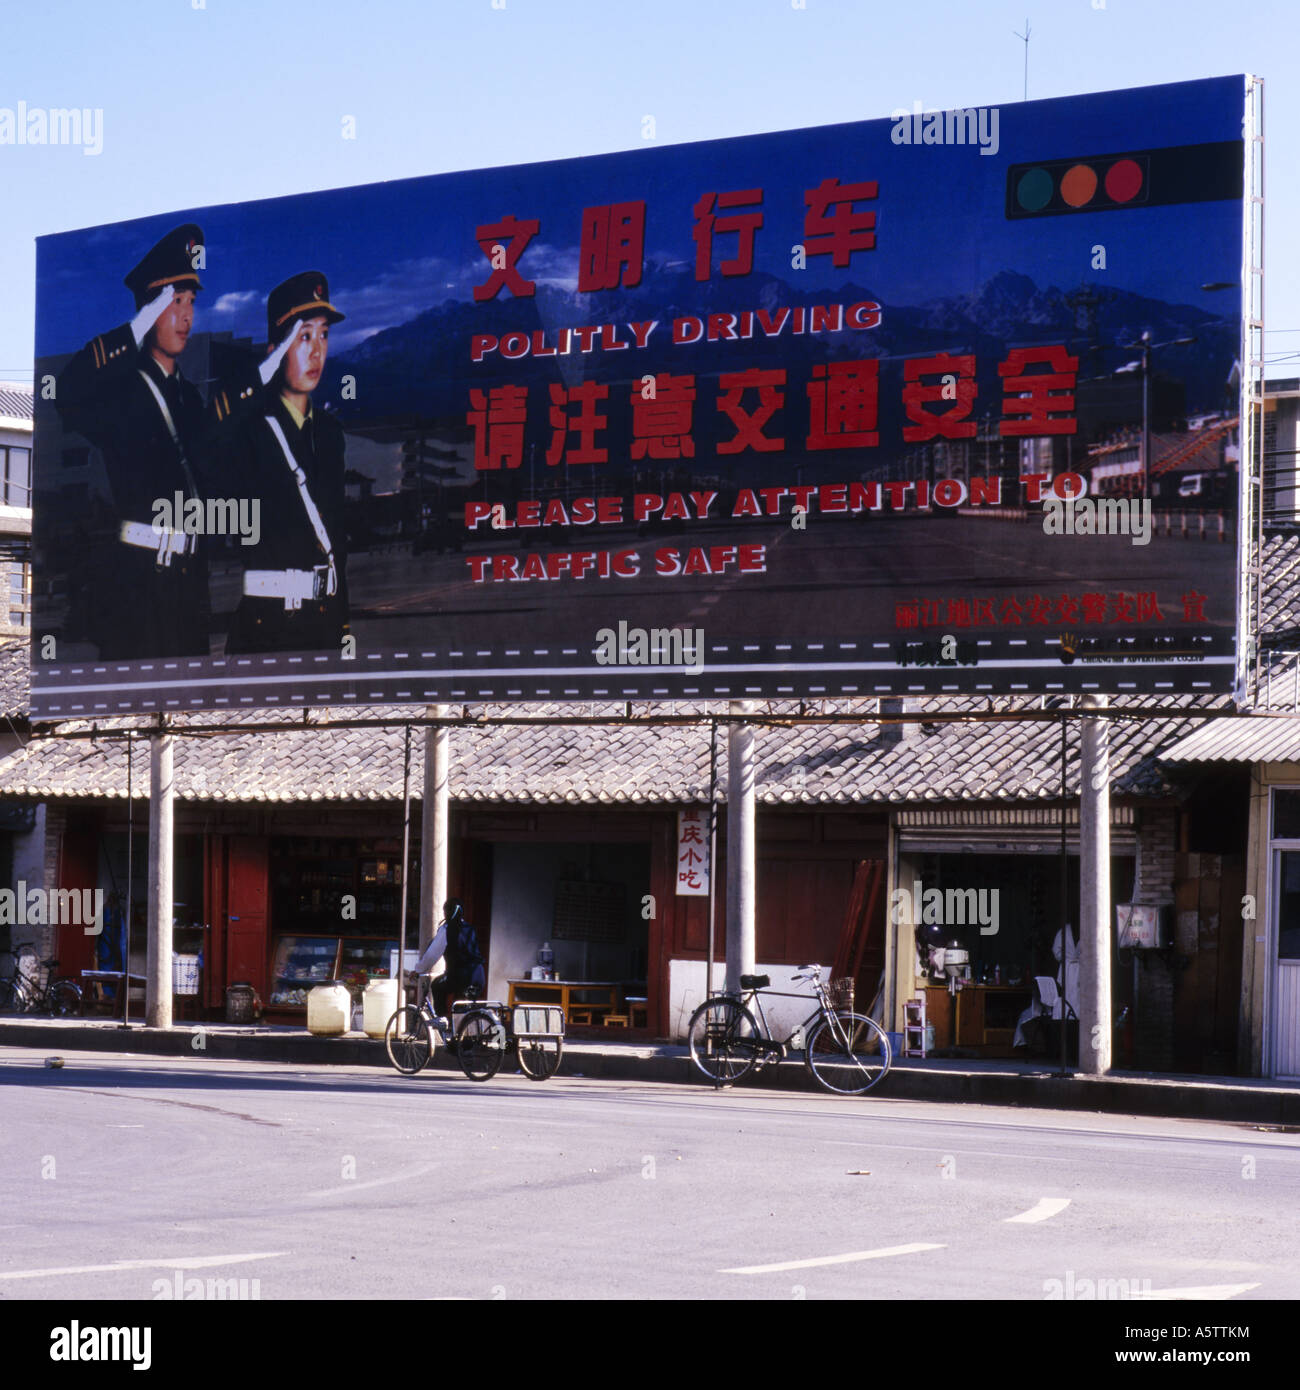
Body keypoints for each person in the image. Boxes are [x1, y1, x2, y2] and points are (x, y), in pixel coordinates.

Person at [54, 224, 212, 658]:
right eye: (173, 302)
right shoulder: (121, 391)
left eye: (191, 302)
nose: (185, 315)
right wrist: (135, 327)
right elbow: (67, 394)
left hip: (190, 579)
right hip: (141, 583)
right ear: (148, 310)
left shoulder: (188, 397)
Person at [222, 271, 349, 654]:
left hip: (324, 619)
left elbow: (336, 538)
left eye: (323, 334)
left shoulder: (328, 432)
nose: (317, 351)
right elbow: (208, 440)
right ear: (275, 350)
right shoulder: (249, 428)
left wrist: (342, 624)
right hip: (269, 624)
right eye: (303, 336)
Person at [411, 898, 486, 1023]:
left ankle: (443, 1022)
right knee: (460, 1006)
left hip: (460, 976)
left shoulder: (447, 929)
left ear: (446, 912)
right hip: (478, 976)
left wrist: (419, 970)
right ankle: (460, 1038)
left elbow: (431, 955)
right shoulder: (469, 928)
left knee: (436, 985)